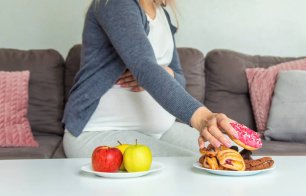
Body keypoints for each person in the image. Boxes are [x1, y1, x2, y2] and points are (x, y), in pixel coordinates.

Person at [62, 0, 240, 157]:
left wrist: (166, 73)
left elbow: (179, 77)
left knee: (234, 152)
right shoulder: (116, 3)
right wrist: (202, 117)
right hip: (99, 131)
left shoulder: (162, 13)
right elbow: (144, 66)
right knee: (194, 165)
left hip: (160, 131)